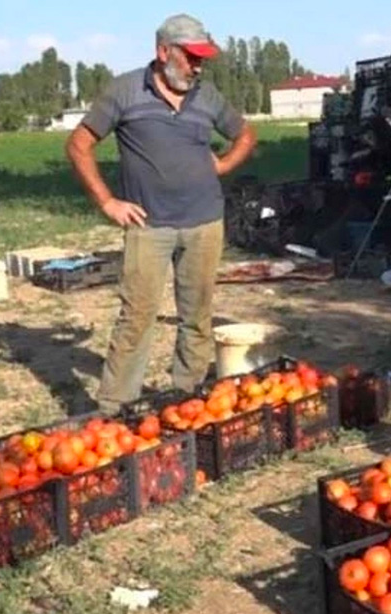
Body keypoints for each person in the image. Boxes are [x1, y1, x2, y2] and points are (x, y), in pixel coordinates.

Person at [66, 14, 257, 414]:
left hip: (205, 221)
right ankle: (115, 407)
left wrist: (221, 165)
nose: (198, 66)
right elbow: (79, 145)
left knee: (198, 315)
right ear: (163, 51)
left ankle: (187, 395)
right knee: (136, 317)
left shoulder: (207, 96)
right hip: (148, 227)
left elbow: (245, 134)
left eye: (202, 58)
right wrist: (107, 202)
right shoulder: (125, 91)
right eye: (191, 57)